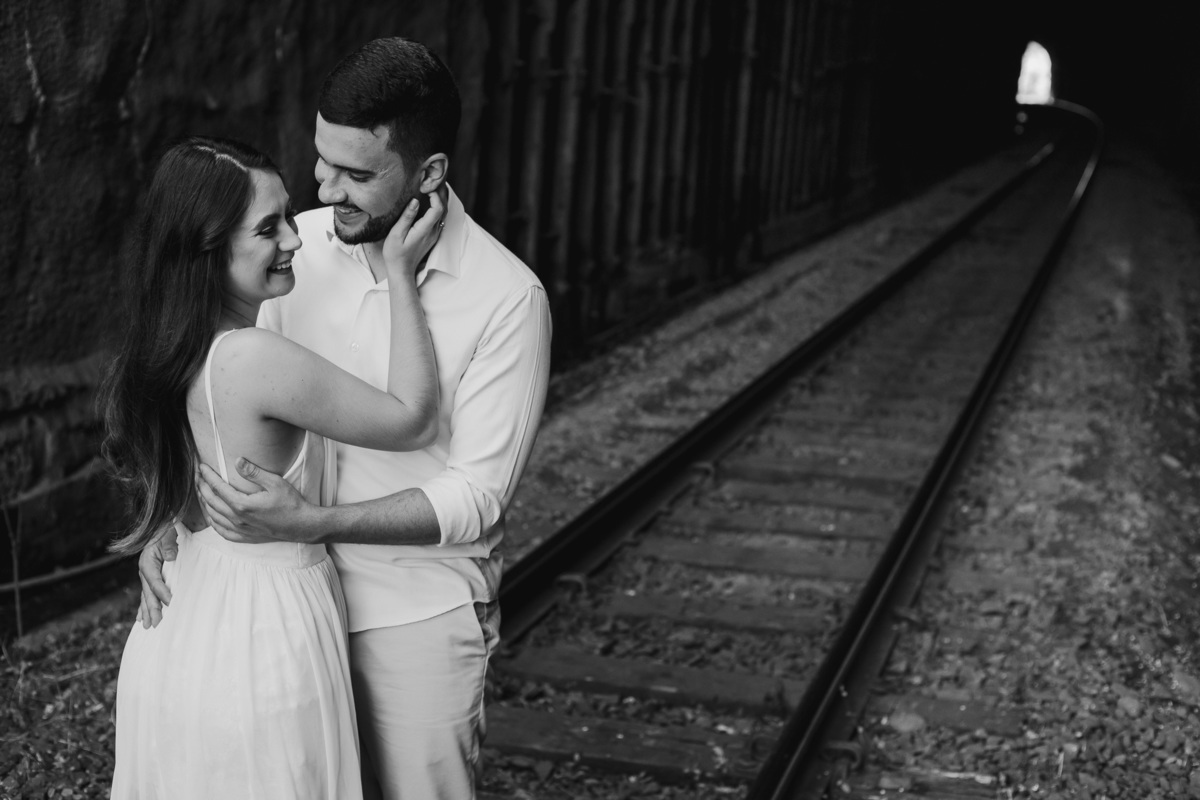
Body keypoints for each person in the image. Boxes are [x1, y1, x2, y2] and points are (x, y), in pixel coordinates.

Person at [138, 38, 553, 800]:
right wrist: (174, 516)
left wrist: (311, 521)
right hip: (281, 609)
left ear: (428, 173)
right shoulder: (292, 246)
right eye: (322, 160)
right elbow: (212, 394)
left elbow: (476, 497)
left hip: (414, 616)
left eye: (357, 174)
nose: (325, 190)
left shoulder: (507, 299)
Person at [102, 135, 445, 798]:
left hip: (184, 620)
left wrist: (161, 527)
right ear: (209, 249)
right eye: (268, 228)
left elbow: (188, 464)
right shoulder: (253, 357)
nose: (294, 239)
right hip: (260, 631)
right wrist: (401, 275)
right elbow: (413, 419)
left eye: (288, 216)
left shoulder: (165, 345)